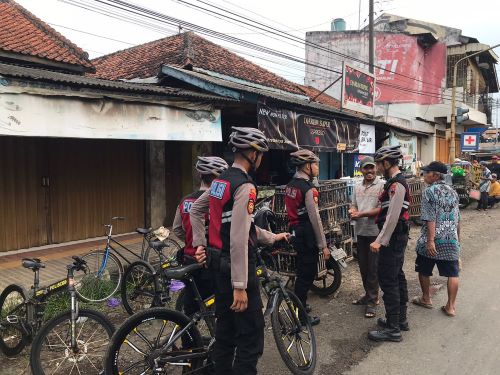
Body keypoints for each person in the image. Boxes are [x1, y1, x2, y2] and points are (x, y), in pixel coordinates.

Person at [189, 127, 289, 375]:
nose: (262, 159)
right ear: (252, 154)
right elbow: (238, 238)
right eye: (261, 154)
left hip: (217, 266)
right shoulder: (245, 186)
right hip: (236, 270)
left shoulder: (220, 181)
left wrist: (201, 244)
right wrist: (240, 285)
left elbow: (196, 211)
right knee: (250, 340)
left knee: (225, 335)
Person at [172, 156, 228, 316]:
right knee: (221, 308)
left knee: (190, 309)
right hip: (211, 261)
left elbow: (177, 229)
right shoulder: (218, 201)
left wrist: (191, 240)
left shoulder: (185, 200)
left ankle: (188, 339)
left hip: (189, 260)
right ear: (217, 177)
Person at [367, 145, 410, 343]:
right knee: (397, 276)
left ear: (386, 163)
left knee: (389, 280)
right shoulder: (394, 183)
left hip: (392, 239)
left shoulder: (397, 185)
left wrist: (379, 240)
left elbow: (392, 217)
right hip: (396, 238)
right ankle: (400, 319)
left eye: (378, 163)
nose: (376, 167)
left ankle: (393, 328)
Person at [285, 149, 329, 326]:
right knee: (307, 275)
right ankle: (301, 316)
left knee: (301, 271)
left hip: (296, 231)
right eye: (315, 164)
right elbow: (315, 219)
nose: (317, 167)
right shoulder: (309, 189)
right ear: (306, 166)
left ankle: (300, 305)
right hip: (307, 234)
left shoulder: (291, 185)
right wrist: (323, 245)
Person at [413, 161, 461, 317]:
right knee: (453, 274)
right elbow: (458, 219)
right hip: (451, 239)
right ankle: (451, 307)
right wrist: (458, 242)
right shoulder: (453, 192)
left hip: (433, 239)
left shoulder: (429, 191)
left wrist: (430, 240)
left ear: (434, 175)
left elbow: (429, 217)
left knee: (423, 269)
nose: (424, 175)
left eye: (426, 172)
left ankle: (426, 298)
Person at [349, 156, 384, 318]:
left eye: (372, 168)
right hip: (360, 231)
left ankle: (372, 301)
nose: (369, 171)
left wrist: (360, 213)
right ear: (361, 170)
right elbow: (353, 204)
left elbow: (381, 209)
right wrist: (352, 210)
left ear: (376, 169)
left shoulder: (382, 185)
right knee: (363, 267)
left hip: (375, 233)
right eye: (366, 168)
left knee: (373, 268)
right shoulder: (357, 186)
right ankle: (368, 295)